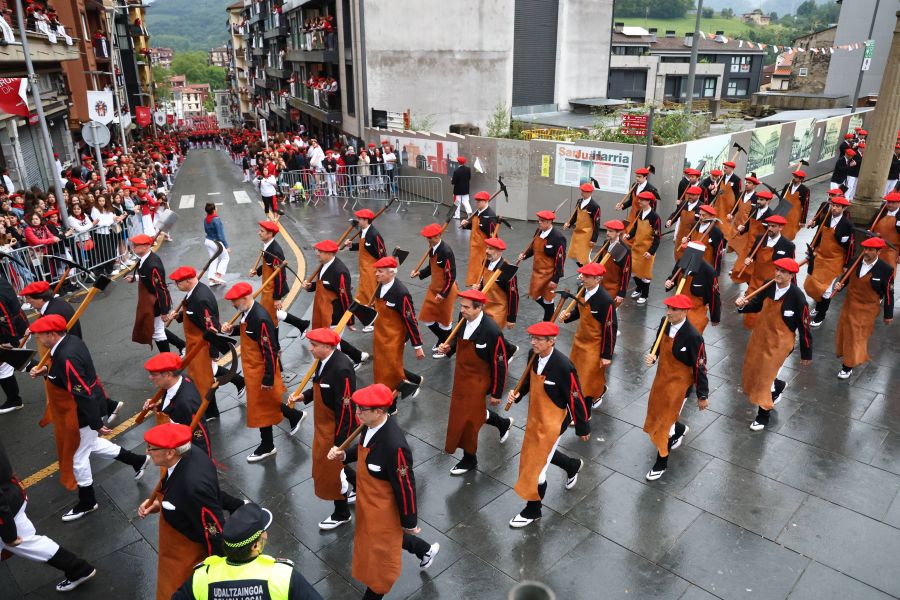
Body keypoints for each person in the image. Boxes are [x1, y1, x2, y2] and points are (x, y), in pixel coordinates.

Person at [28, 314, 150, 521]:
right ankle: (138, 460)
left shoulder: (66, 356)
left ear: (52, 334)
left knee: (78, 457)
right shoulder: (70, 342)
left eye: (40, 335)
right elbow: (65, 375)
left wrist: (96, 423)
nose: (38, 339)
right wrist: (46, 371)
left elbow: (81, 392)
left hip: (80, 414)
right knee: (91, 445)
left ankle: (87, 501)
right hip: (83, 410)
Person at [327, 384, 440, 599]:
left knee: (381, 562)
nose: (357, 413)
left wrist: (409, 522)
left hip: (384, 508)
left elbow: (405, 485)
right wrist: (344, 456)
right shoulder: (369, 425)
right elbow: (363, 449)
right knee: (380, 539)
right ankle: (424, 550)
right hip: (369, 502)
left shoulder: (394, 445)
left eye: (362, 409)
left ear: (379, 411)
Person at [506, 322, 589, 528]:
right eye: (531, 338)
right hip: (535, 418)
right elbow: (527, 381)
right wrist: (517, 395)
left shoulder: (563, 366)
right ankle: (572, 466)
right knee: (539, 454)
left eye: (538, 339)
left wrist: (582, 426)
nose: (533, 342)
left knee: (537, 467)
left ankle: (533, 510)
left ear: (552, 341)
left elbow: (576, 396)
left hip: (554, 422)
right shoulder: (533, 356)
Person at [137, 423, 227, 600]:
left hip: (186, 555)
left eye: (151, 448)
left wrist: (218, 568)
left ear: (170, 452)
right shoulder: (191, 454)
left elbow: (212, 531)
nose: (147, 451)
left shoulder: (192, 486)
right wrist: (159, 503)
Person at [0, 437, 97, 593]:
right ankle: (78, 569)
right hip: (11, 496)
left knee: (28, 542)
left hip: (6, 505)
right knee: (30, 542)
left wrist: (9, 535)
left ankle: (78, 568)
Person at [172, 502, 323, 600]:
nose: (266, 534)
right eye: (263, 531)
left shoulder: (202, 578)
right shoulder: (282, 576)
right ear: (255, 546)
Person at [435, 290, 513, 475]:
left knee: (467, 419)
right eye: (461, 306)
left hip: (478, 381)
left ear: (480, 308)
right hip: (461, 378)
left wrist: (496, 393)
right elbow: (456, 339)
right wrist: (448, 348)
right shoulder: (463, 320)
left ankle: (469, 459)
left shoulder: (492, 331)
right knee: (470, 413)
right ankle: (502, 424)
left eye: (466, 307)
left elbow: (500, 363)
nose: (462, 310)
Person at [221, 283, 298, 462]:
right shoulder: (247, 311)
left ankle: (267, 445)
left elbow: (270, 350)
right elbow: (249, 333)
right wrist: (231, 330)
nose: (233, 305)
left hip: (260, 370)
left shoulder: (260, 317)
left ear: (245, 298)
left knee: (260, 407)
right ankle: (293, 417)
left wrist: (268, 378)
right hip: (253, 368)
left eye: (235, 301)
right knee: (265, 404)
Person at [736, 258, 812, 431]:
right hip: (760, 337)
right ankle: (778, 386)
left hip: (780, 344)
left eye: (783, 271)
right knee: (754, 369)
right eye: (777, 269)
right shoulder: (768, 285)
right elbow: (755, 305)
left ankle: (763, 416)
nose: (778, 273)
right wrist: (743, 306)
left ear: (792, 275)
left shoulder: (798, 298)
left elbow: (804, 327)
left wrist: (806, 353)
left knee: (765, 379)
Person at [292, 328, 357, 530]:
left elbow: (346, 408)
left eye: (314, 345)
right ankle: (360, 486)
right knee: (334, 466)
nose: (310, 348)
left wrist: (339, 444)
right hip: (324, 426)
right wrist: (306, 396)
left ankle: (342, 513)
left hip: (334, 429)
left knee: (331, 470)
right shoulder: (325, 360)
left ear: (328, 347)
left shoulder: (341, 368)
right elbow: (323, 386)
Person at [642, 294, 709, 481]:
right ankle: (678, 429)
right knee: (656, 412)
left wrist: (702, 395)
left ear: (685, 311)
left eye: (674, 309)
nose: (669, 312)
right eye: (668, 308)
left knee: (665, 424)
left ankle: (661, 462)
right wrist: (653, 355)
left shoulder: (693, 336)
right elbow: (657, 344)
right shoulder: (665, 322)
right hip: (661, 379)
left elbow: (700, 366)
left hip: (679, 387)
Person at [833, 237, 894, 379]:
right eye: (865, 248)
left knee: (855, 335)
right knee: (845, 333)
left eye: (870, 250)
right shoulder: (855, 262)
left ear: (878, 251)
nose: (866, 252)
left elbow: (888, 292)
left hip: (868, 308)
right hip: (849, 304)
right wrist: (839, 285)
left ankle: (847, 366)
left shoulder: (886, 269)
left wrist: (888, 314)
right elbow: (846, 279)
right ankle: (851, 356)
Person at [301, 239, 368, 367]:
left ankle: (347, 364)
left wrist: (349, 320)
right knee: (332, 341)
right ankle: (358, 356)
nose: (317, 253)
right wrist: (310, 286)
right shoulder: (324, 265)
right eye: (317, 250)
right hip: (322, 310)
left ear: (330, 253)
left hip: (334, 314)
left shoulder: (339, 271)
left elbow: (345, 297)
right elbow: (325, 286)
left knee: (330, 344)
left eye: (320, 251)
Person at [370, 256, 425, 406]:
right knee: (383, 367)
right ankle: (414, 381)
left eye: (380, 271)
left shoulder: (401, 293)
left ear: (391, 273)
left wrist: (417, 346)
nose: (376, 274)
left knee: (389, 370)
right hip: (380, 334)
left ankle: (391, 405)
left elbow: (410, 319)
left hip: (394, 337)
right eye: (376, 271)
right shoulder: (379, 285)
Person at [561, 262, 617, 410]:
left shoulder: (606, 300)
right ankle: (599, 391)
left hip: (594, 344)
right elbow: (579, 311)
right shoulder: (582, 290)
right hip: (579, 340)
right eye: (583, 275)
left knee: (586, 378)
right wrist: (568, 316)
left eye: (587, 276)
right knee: (577, 374)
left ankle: (584, 412)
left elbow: (610, 328)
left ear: (598, 279)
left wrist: (607, 355)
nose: (582, 278)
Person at [127, 233, 184, 355]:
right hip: (149, 301)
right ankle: (182, 346)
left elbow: (161, 288)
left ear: (146, 246)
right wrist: (135, 278)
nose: (133, 247)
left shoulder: (153, 264)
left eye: (136, 245)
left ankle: (167, 361)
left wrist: (164, 311)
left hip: (156, 303)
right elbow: (147, 277)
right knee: (157, 329)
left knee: (157, 332)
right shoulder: (145, 259)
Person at [737, 214, 795, 329]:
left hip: (772, 283)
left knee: (768, 310)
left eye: (773, 226)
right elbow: (752, 253)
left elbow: (790, 267)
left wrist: (790, 286)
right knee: (751, 309)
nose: (770, 229)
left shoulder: (788, 245)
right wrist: (749, 258)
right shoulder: (760, 238)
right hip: (756, 280)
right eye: (768, 226)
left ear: (781, 228)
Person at [805, 195, 854, 326]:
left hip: (835, 260)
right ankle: (819, 306)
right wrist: (812, 247)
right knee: (811, 284)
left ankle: (821, 315)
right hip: (820, 257)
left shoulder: (847, 225)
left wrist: (846, 264)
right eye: (833, 205)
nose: (834, 208)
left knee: (825, 288)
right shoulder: (826, 218)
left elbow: (850, 246)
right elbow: (818, 235)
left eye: (838, 206)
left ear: (843, 208)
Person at [412, 223, 459, 354]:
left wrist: (443, 294)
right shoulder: (432, 248)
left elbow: (451, 276)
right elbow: (431, 268)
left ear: (438, 236)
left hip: (446, 291)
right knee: (427, 318)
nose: (428, 240)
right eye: (427, 237)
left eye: (430, 237)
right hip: (434, 289)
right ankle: (443, 340)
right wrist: (419, 273)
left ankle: (446, 349)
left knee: (445, 322)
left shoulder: (446, 251)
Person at [517, 210, 566, 321]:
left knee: (548, 298)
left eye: (542, 221)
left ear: (549, 222)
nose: (539, 222)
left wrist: (555, 279)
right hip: (537, 272)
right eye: (539, 220)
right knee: (535, 294)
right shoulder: (538, 231)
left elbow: (561, 260)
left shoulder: (558, 237)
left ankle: (547, 323)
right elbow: (533, 248)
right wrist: (524, 255)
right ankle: (551, 310)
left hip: (549, 274)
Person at [664, 244, 721, 332]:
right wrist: (669, 282)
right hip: (678, 306)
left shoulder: (709, 272)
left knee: (692, 334)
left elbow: (714, 296)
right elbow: (673, 276)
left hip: (695, 309)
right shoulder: (681, 261)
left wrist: (715, 318)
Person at [344, 208, 387, 326]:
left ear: (366, 220)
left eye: (359, 219)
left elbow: (382, 254)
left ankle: (375, 322)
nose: (357, 221)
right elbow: (364, 247)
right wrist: (351, 246)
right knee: (363, 295)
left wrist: (383, 271)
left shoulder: (374, 234)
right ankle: (369, 319)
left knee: (371, 296)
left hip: (372, 271)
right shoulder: (363, 232)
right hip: (364, 270)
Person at [623, 191, 661, 305]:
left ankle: (645, 294)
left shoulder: (655, 217)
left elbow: (657, 237)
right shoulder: (639, 212)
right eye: (639, 199)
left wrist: (651, 252)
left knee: (645, 274)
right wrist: (629, 235)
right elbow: (635, 227)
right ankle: (639, 288)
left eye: (642, 200)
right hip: (636, 247)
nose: (639, 201)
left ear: (648, 201)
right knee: (633, 271)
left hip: (647, 249)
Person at [474, 237, 518, 330]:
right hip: (484, 306)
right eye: (487, 248)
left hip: (498, 309)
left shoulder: (507, 270)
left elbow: (513, 295)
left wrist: (511, 319)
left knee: (492, 336)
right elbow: (484, 280)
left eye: (490, 249)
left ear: (499, 251)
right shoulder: (485, 262)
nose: (486, 251)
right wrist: (479, 288)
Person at [731, 189, 774, 283]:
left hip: (759, 247)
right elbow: (748, 225)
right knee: (741, 269)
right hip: (748, 245)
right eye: (758, 199)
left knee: (754, 271)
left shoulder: (770, 215)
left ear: (768, 201)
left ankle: (751, 291)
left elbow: (771, 235)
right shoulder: (754, 209)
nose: (758, 201)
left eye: (761, 200)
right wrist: (743, 228)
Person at [0, 277, 28, 414]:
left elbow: (5, 318)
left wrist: (11, 341)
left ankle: (14, 400)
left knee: (3, 368)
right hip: (17, 327)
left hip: (11, 332)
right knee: (21, 361)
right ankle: (53, 371)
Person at [252, 220, 288, 324]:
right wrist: (257, 271)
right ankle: (301, 324)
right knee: (270, 314)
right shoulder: (267, 245)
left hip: (272, 291)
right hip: (267, 288)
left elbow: (280, 276)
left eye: (262, 231)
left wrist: (277, 298)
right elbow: (267, 264)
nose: (259, 233)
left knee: (270, 319)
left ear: (270, 234)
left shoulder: (275, 251)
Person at [460, 190, 499, 286]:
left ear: (486, 201)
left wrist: (491, 252)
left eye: (480, 201)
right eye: (476, 201)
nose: (477, 203)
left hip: (483, 251)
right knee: (474, 271)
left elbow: (493, 237)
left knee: (480, 272)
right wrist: (466, 225)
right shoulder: (477, 213)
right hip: (474, 250)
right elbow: (475, 226)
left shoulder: (490, 216)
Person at [564, 182, 602, 266]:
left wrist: (593, 239)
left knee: (584, 256)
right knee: (573, 255)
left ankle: (589, 273)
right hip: (577, 232)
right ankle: (583, 271)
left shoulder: (595, 206)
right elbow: (575, 215)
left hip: (587, 234)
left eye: (584, 191)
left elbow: (597, 224)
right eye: (582, 190)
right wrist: (569, 224)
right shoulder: (579, 201)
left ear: (590, 193)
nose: (581, 192)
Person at [681, 204, 725, 275]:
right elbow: (690, 240)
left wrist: (716, 271)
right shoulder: (695, 225)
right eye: (700, 215)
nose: (700, 217)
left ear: (711, 217)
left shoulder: (716, 231)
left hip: (705, 263)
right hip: (691, 258)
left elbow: (718, 253)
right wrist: (686, 240)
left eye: (704, 215)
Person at [596, 220, 631, 305]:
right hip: (601, 283)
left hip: (613, 286)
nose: (607, 233)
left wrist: (621, 293)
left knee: (609, 312)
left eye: (611, 231)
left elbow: (626, 273)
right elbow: (599, 262)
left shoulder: (624, 249)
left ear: (618, 233)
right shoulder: (606, 243)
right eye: (607, 230)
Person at [666, 185, 702, 262]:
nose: (690, 196)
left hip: (693, 237)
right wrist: (670, 220)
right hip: (681, 235)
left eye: (693, 195)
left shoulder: (701, 207)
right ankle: (677, 272)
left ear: (698, 195)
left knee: (689, 257)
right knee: (678, 255)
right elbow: (675, 214)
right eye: (689, 194)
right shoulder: (683, 203)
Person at [868, 191, 900, 269]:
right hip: (875, 247)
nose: (890, 204)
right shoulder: (881, 212)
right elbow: (870, 225)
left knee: (888, 271)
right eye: (888, 202)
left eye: (893, 202)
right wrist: (869, 232)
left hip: (892, 250)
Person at [203, 203, 230, 286]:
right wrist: (226, 246)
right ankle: (217, 275)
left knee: (213, 259)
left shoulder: (205, 219)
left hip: (208, 240)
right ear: (214, 210)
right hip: (215, 242)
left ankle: (211, 280)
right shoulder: (216, 219)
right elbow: (220, 235)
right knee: (225, 257)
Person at [780, 170, 810, 240]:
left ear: (801, 179)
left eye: (797, 177)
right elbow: (781, 199)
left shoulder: (805, 190)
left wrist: (803, 221)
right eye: (794, 176)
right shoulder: (787, 186)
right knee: (780, 231)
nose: (794, 178)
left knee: (790, 234)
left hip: (794, 216)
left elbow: (806, 205)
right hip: (784, 213)